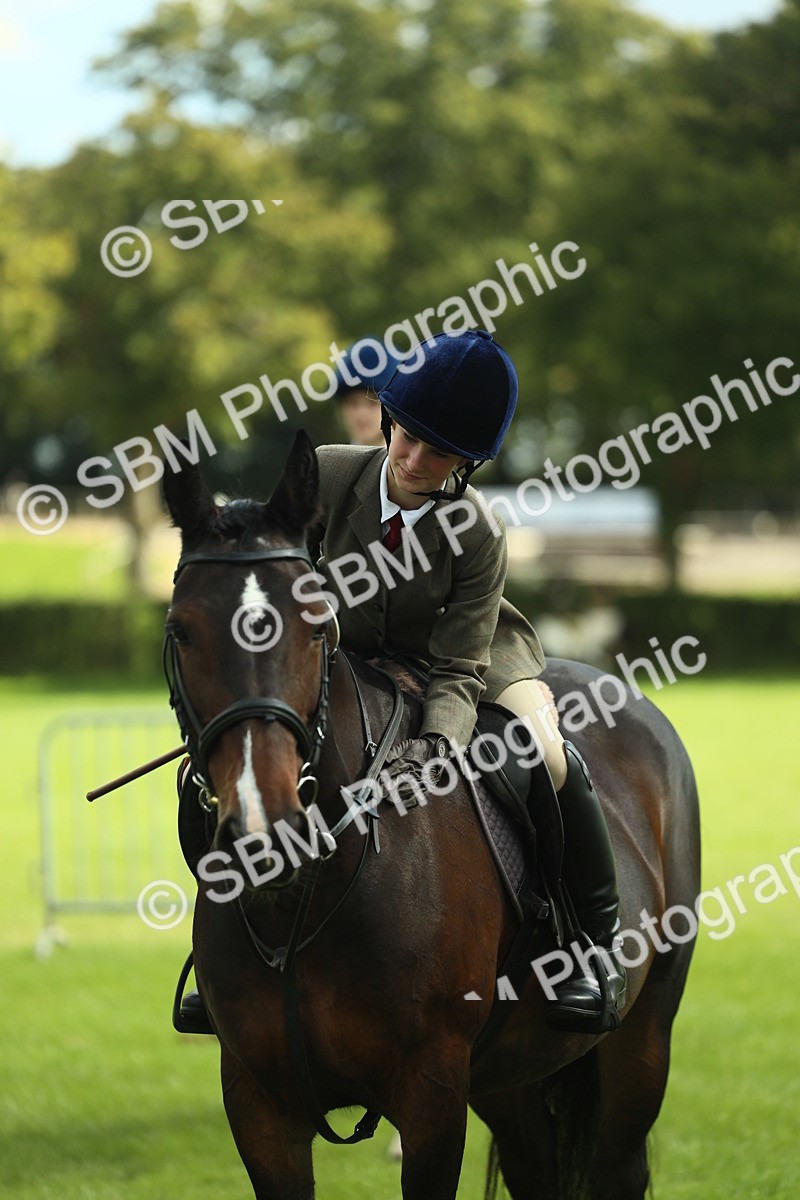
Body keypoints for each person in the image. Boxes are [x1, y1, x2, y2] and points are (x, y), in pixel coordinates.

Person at [177, 329, 626, 1036]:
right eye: (407, 437)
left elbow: (458, 665)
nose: (414, 461)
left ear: (468, 461)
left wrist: (438, 746)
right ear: (388, 419)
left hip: (466, 658)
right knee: (233, 761)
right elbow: (265, 559)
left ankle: (592, 945)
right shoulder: (326, 474)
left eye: (438, 451)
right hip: (343, 656)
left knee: (546, 749)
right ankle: (219, 951)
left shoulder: (478, 533)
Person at [333, 336, 401, 448]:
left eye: (373, 402)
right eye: (353, 403)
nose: (361, 414)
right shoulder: (327, 462)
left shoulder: (412, 464)